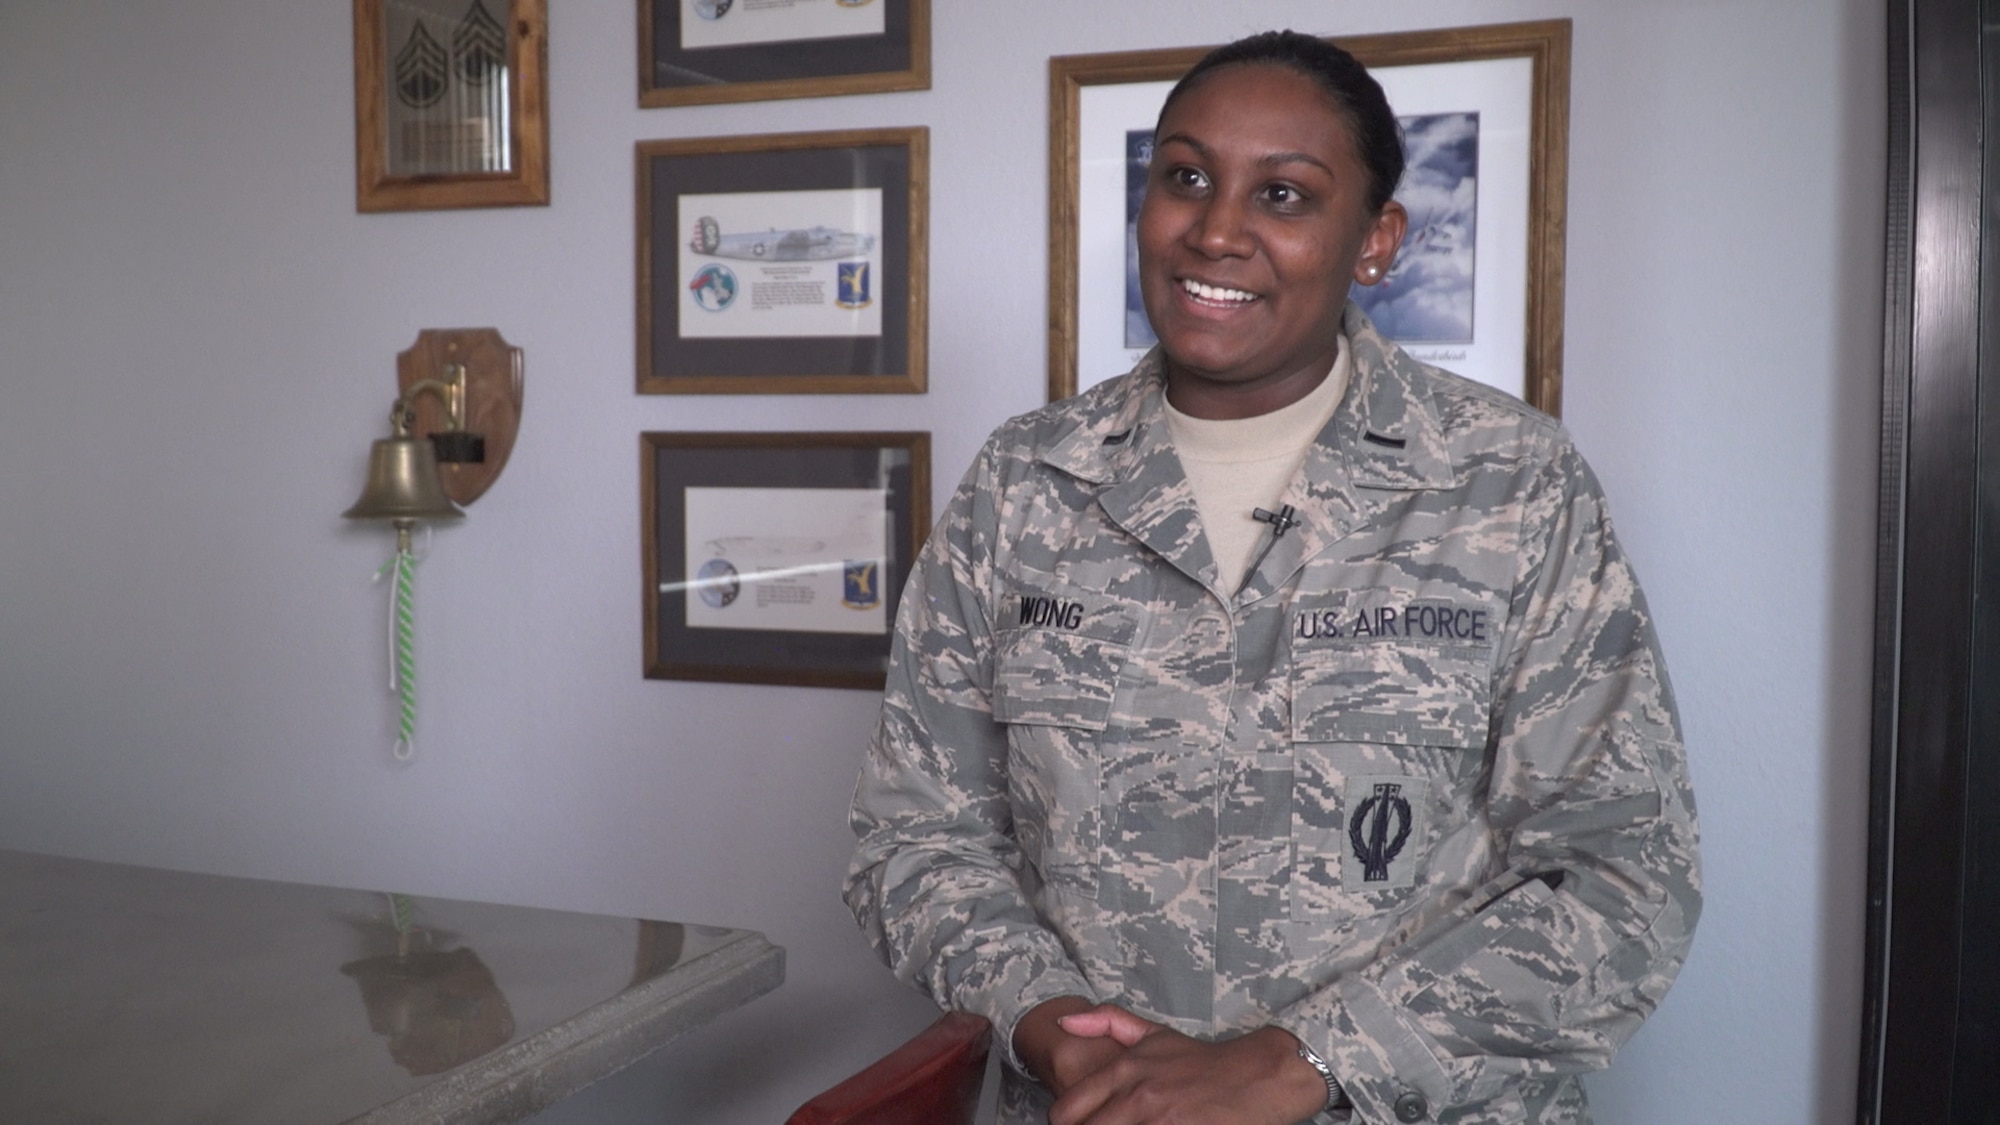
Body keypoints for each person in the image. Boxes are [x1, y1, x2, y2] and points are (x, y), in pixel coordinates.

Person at [846, 29, 1699, 1125]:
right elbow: (914, 837)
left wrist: (1301, 1061)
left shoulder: (1509, 485)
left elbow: (1620, 878)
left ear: (1375, 241)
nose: (1214, 229)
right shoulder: (1026, 482)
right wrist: (1042, 1015)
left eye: (1284, 195)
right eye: (1184, 177)